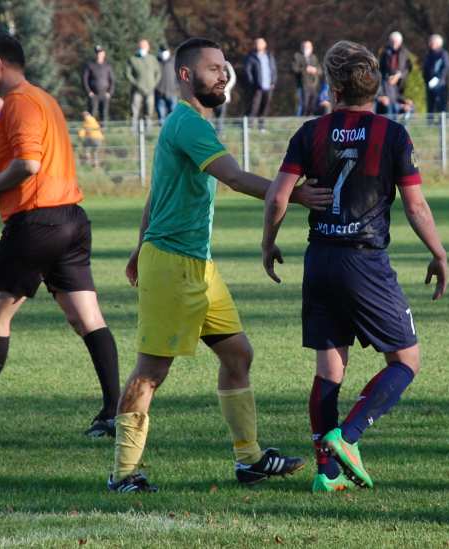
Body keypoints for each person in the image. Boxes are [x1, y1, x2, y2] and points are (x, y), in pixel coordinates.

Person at [108, 37, 333, 493]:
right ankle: (124, 474)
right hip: (172, 265)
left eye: (225, 67)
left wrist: (137, 245)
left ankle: (249, 459)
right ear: (187, 75)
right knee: (151, 372)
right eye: (214, 68)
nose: (224, 75)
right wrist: (292, 193)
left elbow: (158, 192)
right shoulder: (188, 124)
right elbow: (232, 176)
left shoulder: (189, 124)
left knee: (238, 354)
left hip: (198, 267)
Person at [262, 40, 448, 493]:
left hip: (320, 258)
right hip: (364, 260)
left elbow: (277, 195)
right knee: (406, 359)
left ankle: (326, 475)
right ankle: (347, 436)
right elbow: (416, 207)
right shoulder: (393, 134)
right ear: (376, 85)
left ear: (331, 85)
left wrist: (268, 244)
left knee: (330, 369)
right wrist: (440, 253)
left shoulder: (310, 133)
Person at [0, 33, 122, 440]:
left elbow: (29, 163)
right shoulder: (45, 98)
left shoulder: (19, 102)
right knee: (86, 317)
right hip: (71, 218)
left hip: (38, 222)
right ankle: (113, 411)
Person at [126, 39, 161, 131]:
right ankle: (133, 130)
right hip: (137, 90)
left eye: (144, 46)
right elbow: (128, 74)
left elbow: (158, 73)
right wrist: (136, 84)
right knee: (134, 111)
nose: (143, 48)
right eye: (141, 46)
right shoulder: (132, 59)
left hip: (150, 90)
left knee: (149, 110)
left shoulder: (152, 59)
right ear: (138, 47)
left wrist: (154, 84)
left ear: (148, 47)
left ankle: (148, 131)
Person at [244, 37, 277, 130]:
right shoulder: (251, 57)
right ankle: (249, 126)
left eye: (260, 43)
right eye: (256, 43)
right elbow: (248, 71)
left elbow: (273, 70)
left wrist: (273, 81)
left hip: (268, 86)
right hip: (257, 87)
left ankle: (261, 126)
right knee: (254, 106)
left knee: (265, 106)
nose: (258, 45)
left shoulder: (269, 56)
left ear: (264, 45)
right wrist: (252, 83)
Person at [378, 32, 411, 117]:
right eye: (392, 41)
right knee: (390, 104)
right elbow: (380, 69)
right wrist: (388, 78)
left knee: (407, 105)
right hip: (387, 82)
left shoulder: (405, 53)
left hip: (401, 83)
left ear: (400, 42)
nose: (394, 44)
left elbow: (408, 68)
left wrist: (399, 75)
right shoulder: (384, 52)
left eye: (396, 42)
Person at [82, 45, 115, 126]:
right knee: (92, 113)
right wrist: (89, 92)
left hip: (104, 94)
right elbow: (85, 80)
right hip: (94, 94)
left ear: (104, 54)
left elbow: (112, 81)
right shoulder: (90, 65)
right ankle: (91, 131)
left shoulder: (107, 66)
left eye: (100, 53)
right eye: (97, 53)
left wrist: (109, 93)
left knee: (103, 113)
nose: (99, 55)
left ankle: (102, 131)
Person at [423, 34, 449, 116]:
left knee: (440, 104)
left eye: (432, 42)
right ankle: (430, 124)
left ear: (438, 43)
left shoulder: (443, 54)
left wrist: (439, 79)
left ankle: (442, 124)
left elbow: (446, 67)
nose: (430, 43)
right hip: (429, 82)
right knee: (430, 104)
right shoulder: (429, 54)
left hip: (440, 84)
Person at [292, 40, 321, 116]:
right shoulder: (297, 56)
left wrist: (315, 70)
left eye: (308, 47)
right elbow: (294, 69)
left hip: (313, 85)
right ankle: (299, 121)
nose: (307, 48)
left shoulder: (314, 57)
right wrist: (305, 69)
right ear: (301, 47)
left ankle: (309, 119)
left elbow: (320, 70)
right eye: (305, 46)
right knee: (303, 105)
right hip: (302, 85)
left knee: (312, 105)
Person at [155, 46, 179, 121]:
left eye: (165, 52)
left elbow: (179, 76)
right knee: (161, 114)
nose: (163, 54)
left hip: (172, 92)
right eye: (162, 52)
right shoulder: (156, 62)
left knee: (173, 112)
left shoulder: (173, 62)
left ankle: (173, 128)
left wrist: (177, 86)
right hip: (159, 92)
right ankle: (162, 128)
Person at [213, 61, 237, 133]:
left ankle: (220, 132)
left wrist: (226, 88)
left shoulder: (226, 66)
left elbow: (233, 78)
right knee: (216, 115)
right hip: (214, 95)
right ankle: (217, 131)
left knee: (221, 115)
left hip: (224, 96)